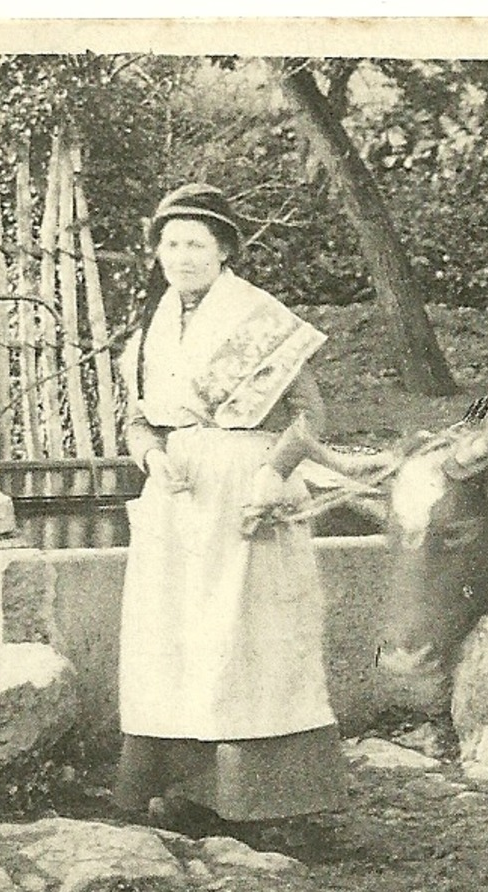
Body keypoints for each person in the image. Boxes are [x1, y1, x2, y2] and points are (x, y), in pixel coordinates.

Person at [113, 182, 345, 837]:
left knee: (249, 638)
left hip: (246, 486)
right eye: (172, 243)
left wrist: (274, 474)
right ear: (157, 251)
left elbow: (309, 415)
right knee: (175, 637)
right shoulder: (150, 326)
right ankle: (186, 790)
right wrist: (153, 459)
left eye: (197, 243)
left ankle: (272, 801)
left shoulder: (258, 318)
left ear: (222, 251)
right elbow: (137, 418)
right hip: (176, 495)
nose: (182, 255)